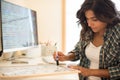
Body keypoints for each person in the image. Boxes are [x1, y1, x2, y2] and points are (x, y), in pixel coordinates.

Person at [53, 0, 120, 80]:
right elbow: (78, 51)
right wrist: (66, 57)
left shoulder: (117, 33)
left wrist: (89, 72)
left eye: (94, 19)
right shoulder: (87, 30)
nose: (89, 24)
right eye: (87, 19)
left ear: (107, 16)